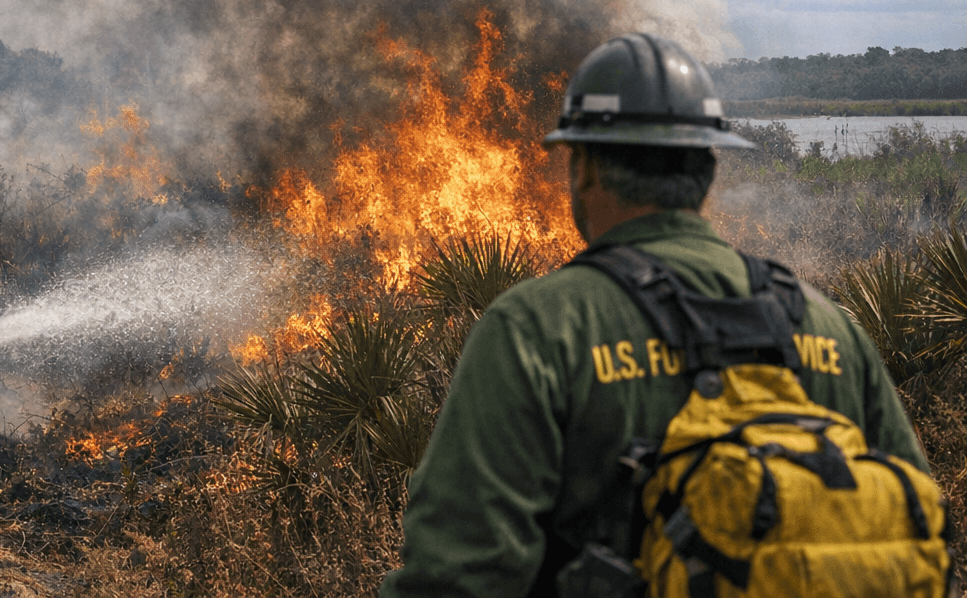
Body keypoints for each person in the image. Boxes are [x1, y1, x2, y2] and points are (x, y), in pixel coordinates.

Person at [380, 33, 930, 598]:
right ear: (710, 168)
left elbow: (454, 579)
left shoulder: (538, 329)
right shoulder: (830, 327)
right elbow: (920, 532)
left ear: (584, 168)